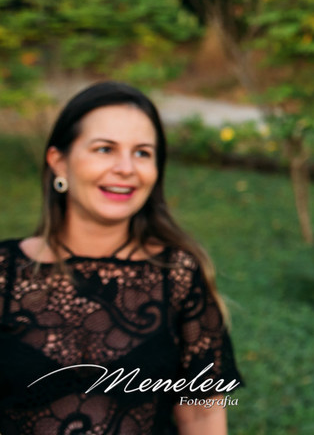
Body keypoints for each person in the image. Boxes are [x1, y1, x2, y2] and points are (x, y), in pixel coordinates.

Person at [0, 82, 242, 435]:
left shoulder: (178, 276)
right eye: (105, 149)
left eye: (142, 153)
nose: (126, 168)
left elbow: (201, 414)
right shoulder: (5, 273)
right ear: (59, 162)